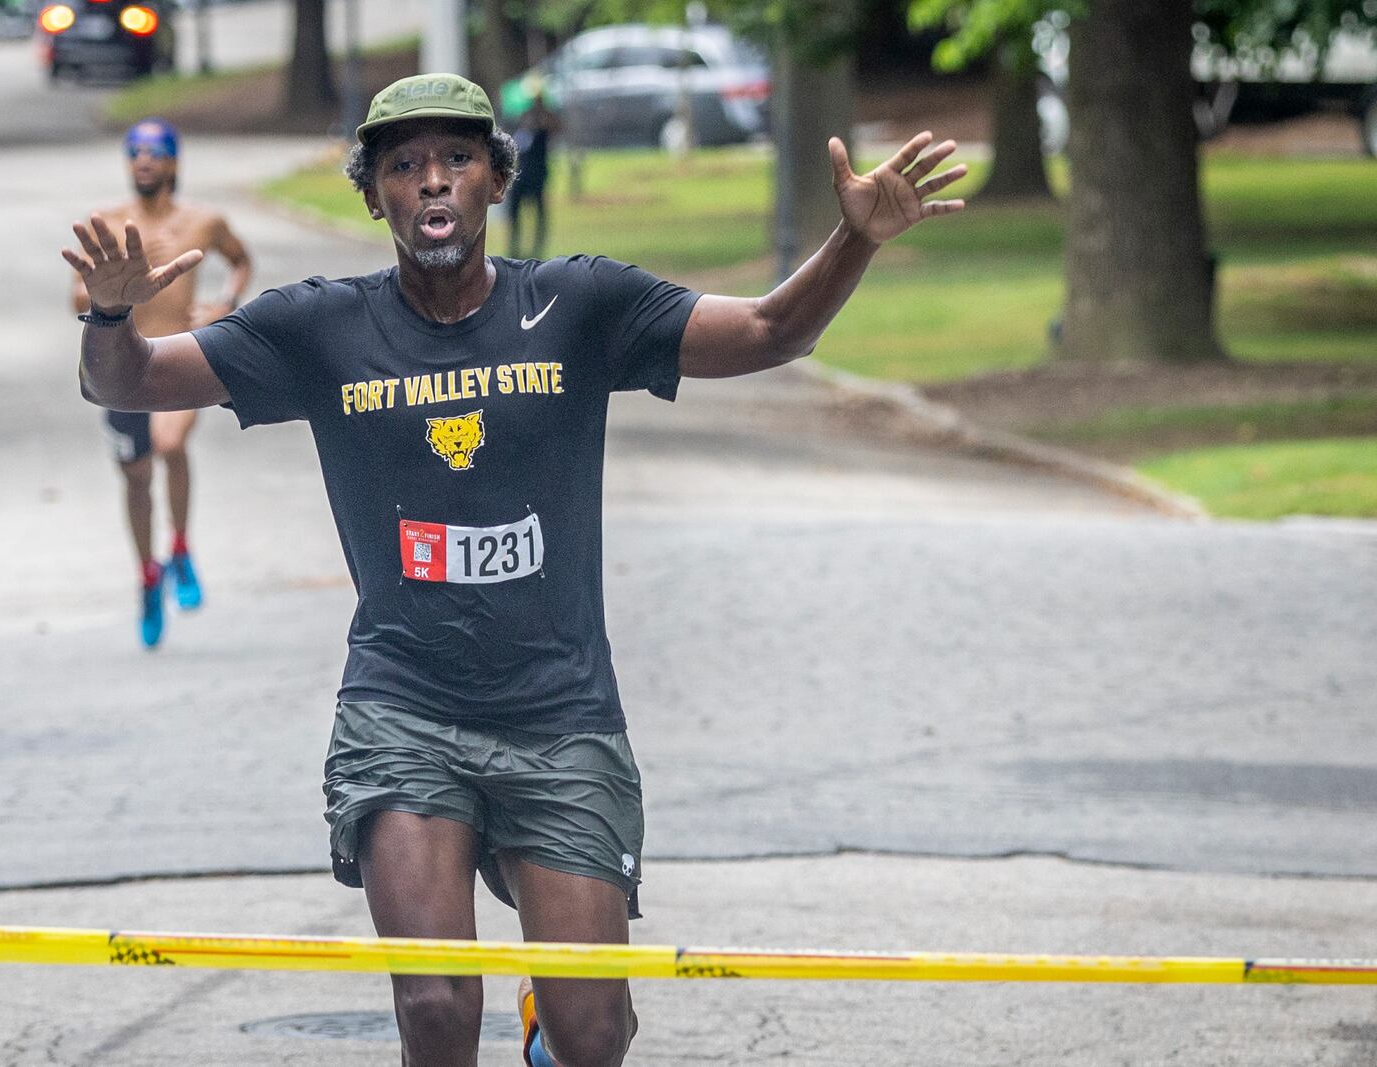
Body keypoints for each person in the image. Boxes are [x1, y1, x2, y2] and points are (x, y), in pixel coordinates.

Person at [64, 74, 964, 1065]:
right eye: (403, 165)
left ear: (496, 177)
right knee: (438, 1011)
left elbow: (767, 331)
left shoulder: (577, 305)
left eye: (455, 158)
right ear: (374, 196)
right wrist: (109, 319)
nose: (431, 180)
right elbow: (135, 382)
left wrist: (856, 240)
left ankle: (553, 1009)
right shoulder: (318, 328)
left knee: (591, 1033)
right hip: (403, 709)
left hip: (560, 712)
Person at [72, 118, 252, 648]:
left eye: (154, 152)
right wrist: (111, 292)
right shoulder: (107, 223)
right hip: (124, 364)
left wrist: (223, 302)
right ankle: (148, 576)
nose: (143, 161)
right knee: (134, 475)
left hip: (178, 357)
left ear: (174, 161)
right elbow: (76, 299)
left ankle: (179, 547)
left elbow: (240, 261)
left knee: (169, 445)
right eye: (134, 152)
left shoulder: (204, 221)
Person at [508, 80, 559, 259]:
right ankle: (514, 243)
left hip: (538, 172)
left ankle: (538, 245)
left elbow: (554, 130)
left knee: (539, 210)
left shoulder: (547, 118)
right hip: (522, 172)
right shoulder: (524, 117)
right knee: (515, 210)